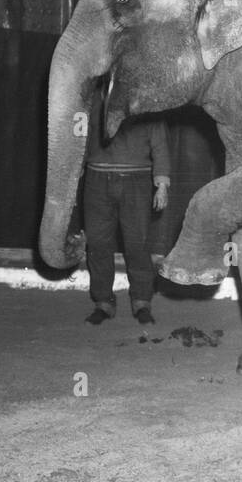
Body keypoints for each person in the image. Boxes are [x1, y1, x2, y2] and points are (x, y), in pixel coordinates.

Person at [83, 93, 170, 325]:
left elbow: (159, 142)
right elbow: (80, 137)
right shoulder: (93, 99)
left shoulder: (149, 100)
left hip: (137, 180)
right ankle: (103, 301)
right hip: (97, 178)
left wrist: (161, 184)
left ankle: (142, 301)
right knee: (98, 242)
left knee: (137, 243)